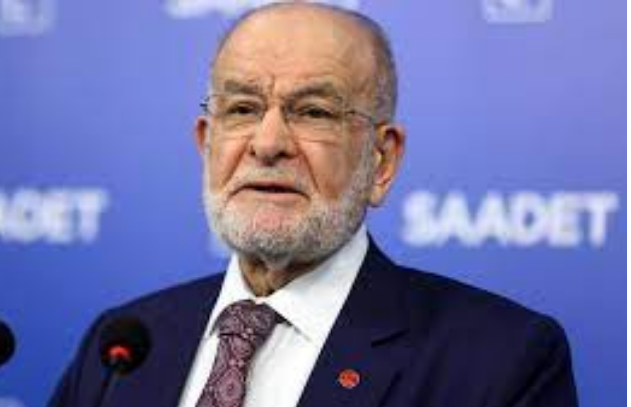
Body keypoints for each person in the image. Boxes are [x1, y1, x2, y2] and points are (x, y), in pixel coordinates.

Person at [48, 3, 578, 407]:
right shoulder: (123, 345)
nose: (267, 143)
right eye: (242, 108)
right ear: (207, 143)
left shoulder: (500, 361)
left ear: (382, 161)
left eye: (314, 112)